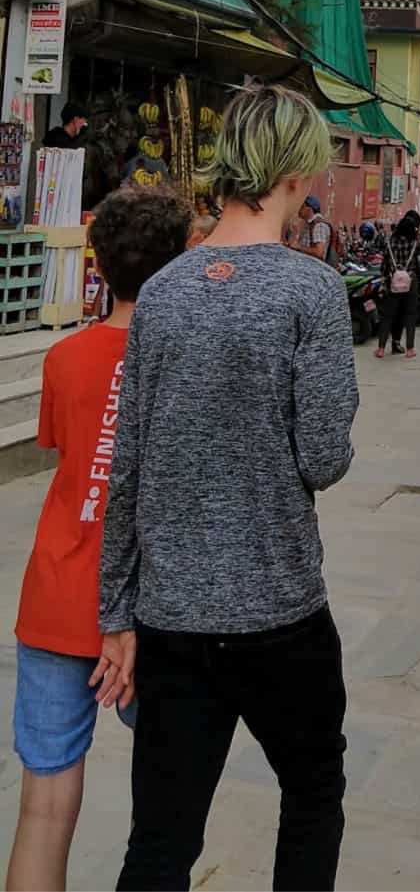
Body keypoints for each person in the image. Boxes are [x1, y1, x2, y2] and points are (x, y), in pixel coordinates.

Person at [96, 84, 358, 892]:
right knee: (312, 794)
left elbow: (127, 462)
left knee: (160, 841)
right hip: (280, 612)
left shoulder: (163, 290)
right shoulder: (311, 291)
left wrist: (116, 612)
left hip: (171, 618)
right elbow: (322, 458)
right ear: (293, 168)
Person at [5, 187, 191, 892]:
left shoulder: (64, 357)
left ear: (100, 263)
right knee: (168, 807)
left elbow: (68, 455)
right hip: (156, 610)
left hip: (56, 596)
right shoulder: (182, 363)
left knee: (43, 806)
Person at [375, 211, 420, 359]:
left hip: (393, 282)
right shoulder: (415, 243)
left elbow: (384, 265)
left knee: (388, 315)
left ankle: (381, 349)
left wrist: (385, 277)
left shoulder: (389, 242)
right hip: (411, 281)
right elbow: (417, 263)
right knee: (410, 315)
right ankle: (410, 349)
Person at [289, 193, 333, 261]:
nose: (299, 209)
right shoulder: (310, 224)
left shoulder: (319, 225)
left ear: (309, 209)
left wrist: (299, 246)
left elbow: (319, 252)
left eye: (302, 206)